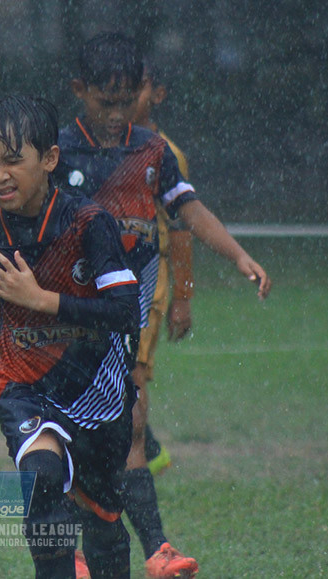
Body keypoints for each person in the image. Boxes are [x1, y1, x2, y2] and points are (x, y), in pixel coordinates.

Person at [54, 31, 271, 579]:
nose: (116, 113)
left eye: (125, 101)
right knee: (71, 431)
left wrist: (238, 255)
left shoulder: (152, 150)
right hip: (71, 312)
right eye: (106, 101)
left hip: (125, 315)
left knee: (129, 423)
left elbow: (188, 213)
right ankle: (74, 554)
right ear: (80, 90)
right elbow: (27, 228)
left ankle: (157, 550)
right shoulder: (59, 151)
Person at [0, 95, 141, 578]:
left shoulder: (87, 222)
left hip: (98, 390)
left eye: (14, 161)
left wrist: (40, 299)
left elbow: (124, 313)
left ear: (50, 159)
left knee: (102, 522)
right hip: (23, 382)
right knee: (41, 482)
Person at [131, 59, 196, 477]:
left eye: (136, 88)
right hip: (102, 278)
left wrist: (183, 298)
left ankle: (137, 458)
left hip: (148, 275)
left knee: (131, 370)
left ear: (157, 94)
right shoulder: (95, 147)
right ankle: (148, 451)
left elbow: (183, 229)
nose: (123, 99)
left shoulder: (168, 154)